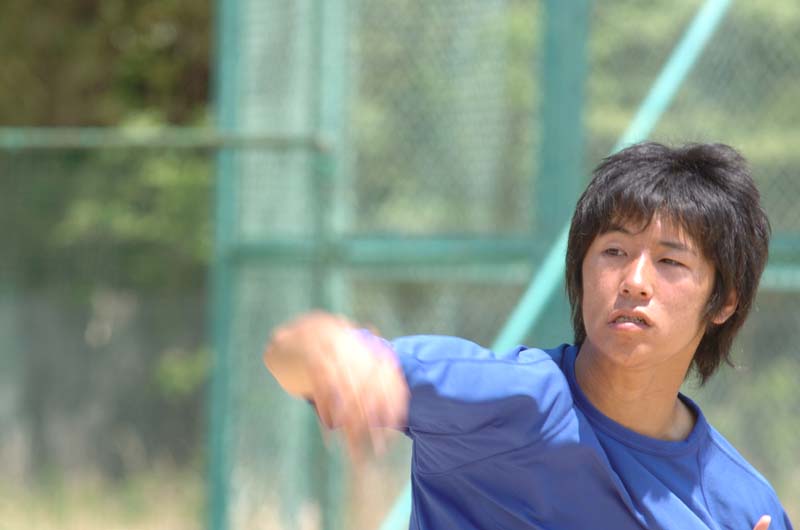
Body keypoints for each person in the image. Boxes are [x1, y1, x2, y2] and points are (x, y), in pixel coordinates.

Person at [264, 142, 794, 530]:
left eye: (670, 261)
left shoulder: (744, 507)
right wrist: (327, 346)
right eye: (613, 251)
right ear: (581, 272)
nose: (634, 280)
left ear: (724, 301)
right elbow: (290, 358)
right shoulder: (501, 399)